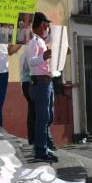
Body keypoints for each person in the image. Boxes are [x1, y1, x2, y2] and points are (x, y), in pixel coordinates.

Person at [26, 12, 56, 162]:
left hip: (47, 82)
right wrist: (44, 57)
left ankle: (44, 148)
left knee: (48, 117)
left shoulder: (42, 41)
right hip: (40, 83)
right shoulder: (34, 42)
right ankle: (40, 151)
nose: (47, 27)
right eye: (46, 24)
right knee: (42, 118)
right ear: (41, 24)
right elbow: (31, 62)